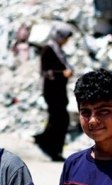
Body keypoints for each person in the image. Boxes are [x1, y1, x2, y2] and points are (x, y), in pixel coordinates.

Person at [34, 23, 74, 162]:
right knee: (60, 119)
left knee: (59, 119)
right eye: (65, 38)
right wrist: (63, 73)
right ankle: (50, 147)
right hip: (52, 91)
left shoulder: (58, 50)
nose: (66, 41)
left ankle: (49, 146)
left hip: (59, 91)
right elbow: (46, 72)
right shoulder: (48, 49)